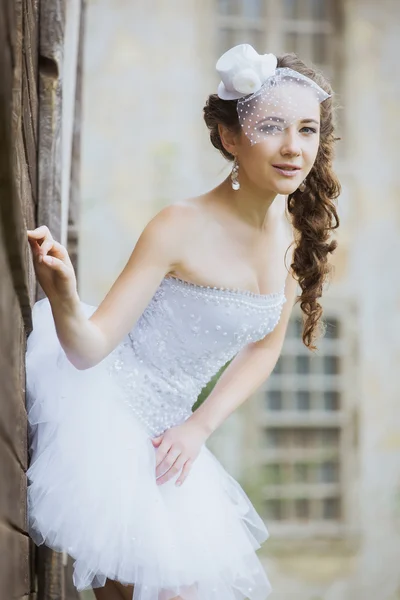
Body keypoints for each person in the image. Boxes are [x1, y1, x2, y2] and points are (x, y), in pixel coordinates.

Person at [25, 44, 340, 600]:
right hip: (104, 412)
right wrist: (67, 299)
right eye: (272, 127)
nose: (294, 147)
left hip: (173, 438)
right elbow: (88, 349)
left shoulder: (294, 243)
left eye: (308, 130)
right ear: (231, 138)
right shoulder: (179, 226)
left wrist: (199, 427)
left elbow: (264, 351)